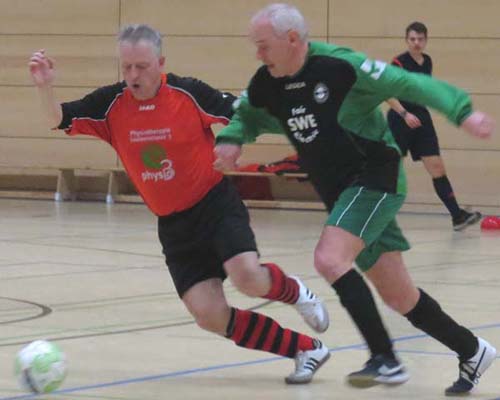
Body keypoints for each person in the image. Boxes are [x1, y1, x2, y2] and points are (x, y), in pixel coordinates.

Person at [213, 3, 496, 396]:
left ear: (292, 39)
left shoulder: (341, 67)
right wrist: (231, 139)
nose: (257, 54)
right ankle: (472, 349)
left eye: (263, 45)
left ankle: (386, 360)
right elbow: (247, 114)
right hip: (341, 194)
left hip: (375, 177)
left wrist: (462, 113)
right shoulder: (268, 81)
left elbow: (409, 83)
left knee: (329, 259)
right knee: (400, 296)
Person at [28, 23, 331, 384]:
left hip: (214, 205)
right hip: (174, 226)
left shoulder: (189, 93)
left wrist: (275, 133)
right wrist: (45, 87)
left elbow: (245, 115)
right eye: (126, 67)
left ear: (161, 62)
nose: (133, 76)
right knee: (210, 316)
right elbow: (55, 118)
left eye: (141, 66)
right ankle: (305, 349)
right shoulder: (111, 105)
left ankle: (296, 291)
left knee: (248, 277)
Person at [386, 22, 481, 231]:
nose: (416, 43)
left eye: (420, 39)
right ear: (406, 40)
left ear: (426, 40)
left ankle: (457, 216)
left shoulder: (427, 61)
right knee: (391, 170)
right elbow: (387, 92)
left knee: (437, 167)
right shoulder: (398, 63)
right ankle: (380, 220)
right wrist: (404, 114)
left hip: (421, 118)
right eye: (412, 39)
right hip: (400, 118)